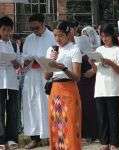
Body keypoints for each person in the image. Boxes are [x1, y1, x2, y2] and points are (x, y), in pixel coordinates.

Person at [22, 13, 56, 149]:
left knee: (47, 104)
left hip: (46, 76)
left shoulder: (53, 36)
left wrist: (44, 62)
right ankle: (34, 138)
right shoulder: (29, 39)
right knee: (32, 105)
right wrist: (28, 60)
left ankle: (50, 135)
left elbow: (56, 56)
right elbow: (23, 57)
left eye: (36, 28)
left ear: (43, 24)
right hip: (31, 76)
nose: (34, 31)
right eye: (32, 28)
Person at [46, 21, 82, 150]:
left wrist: (64, 69)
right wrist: (51, 62)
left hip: (69, 90)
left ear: (68, 34)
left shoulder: (74, 49)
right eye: (55, 35)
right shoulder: (52, 50)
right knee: (56, 125)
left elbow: (77, 77)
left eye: (60, 35)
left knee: (70, 125)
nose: (57, 39)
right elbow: (46, 76)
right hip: (55, 91)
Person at [91, 24, 119, 150]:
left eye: (107, 36)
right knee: (101, 117)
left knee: (113, 117)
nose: (104, 38)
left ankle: (114, 143)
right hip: (100, 89)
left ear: (112, 36)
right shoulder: (99, 49)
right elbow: (96, 69)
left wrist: (111, 63)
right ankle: (104, 142)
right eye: (102, 36)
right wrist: (92, 63)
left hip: (114, 89)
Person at [0, 16, 20, 150]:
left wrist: (15, 62)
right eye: (4, 30)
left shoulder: (14, 45)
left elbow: (19, 63)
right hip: (0, 81)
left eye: (9, 30)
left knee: (13, 110)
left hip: (12, 81)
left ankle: (12, 138)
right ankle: (1, 140)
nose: (7, 33)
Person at [76, 26, 98, 143]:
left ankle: (92, 133)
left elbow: (99, 66)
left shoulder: (95, 50)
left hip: (90, 83)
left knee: (90, 107)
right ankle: (84, 133)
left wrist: (94, 70)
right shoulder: (78, 51)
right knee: (82, 108)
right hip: (81, 82)